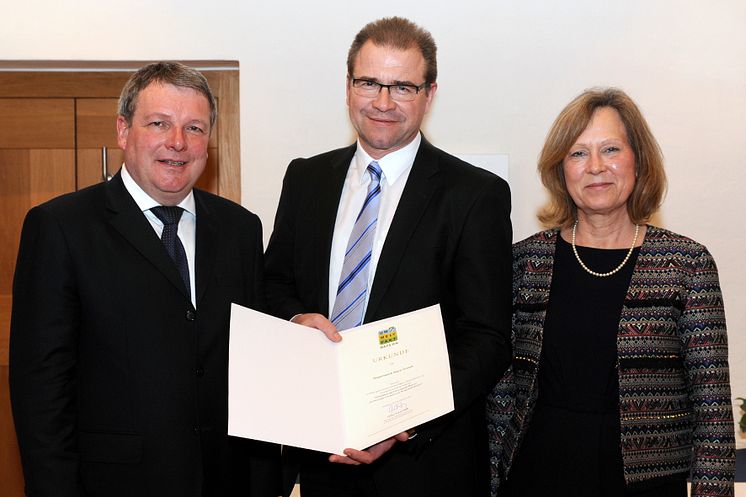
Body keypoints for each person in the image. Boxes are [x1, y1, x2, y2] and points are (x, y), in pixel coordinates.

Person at [264, 16, 512, 497]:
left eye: (402, 86)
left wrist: (401, 422)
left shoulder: (474, 195)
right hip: (319, 456)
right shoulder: (305, 179)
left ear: (429, 94)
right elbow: (273, 284)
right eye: (369, 83)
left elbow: (486, 338)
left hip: (424, 466)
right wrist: (294, 318)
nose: (382, 102)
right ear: (348, 86)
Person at [10, 62, 279, 497]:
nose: (178, 142)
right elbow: (41, 390)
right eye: (159, 123)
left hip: (225, 480)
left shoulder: (240, 229)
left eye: (195, 128)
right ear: (123, 131)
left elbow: (256, 371)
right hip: (113, 483)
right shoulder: (61, 227)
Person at [487, 88, 735, 497]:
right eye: (578, 153)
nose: (596, 167)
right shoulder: (523, 262)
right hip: (536, 475)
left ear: (638, 161)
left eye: (611, 149)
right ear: (560, 169)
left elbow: (713, 413)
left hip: (645, 486)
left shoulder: (687, 263)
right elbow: (501, 395)